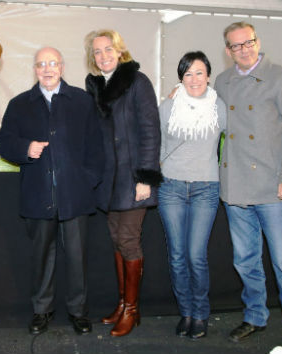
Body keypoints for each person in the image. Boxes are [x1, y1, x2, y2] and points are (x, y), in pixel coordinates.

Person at [215, 21, 282, 352]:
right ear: (228, 51)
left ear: (258, 42)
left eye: (248, 43)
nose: (243, 50)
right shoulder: (223, 81)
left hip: (273, 185)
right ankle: (255, 316)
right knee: (245, 260)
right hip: (235, 186)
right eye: (236, 46)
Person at [0, 47, 104, 336]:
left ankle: (79, 312)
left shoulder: (82, 101)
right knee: (42, 258)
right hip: (37, 195)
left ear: (63, 67)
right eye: (41, 64)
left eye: (52, 63)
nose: (47, 69)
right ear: (34, 69)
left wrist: (87, 180)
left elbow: (96, 147)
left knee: (78, 259)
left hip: (75, 196)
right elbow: (3, 143)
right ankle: (42, 311)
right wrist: (24, 148)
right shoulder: (20, 104)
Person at [84, 29, 161, 337]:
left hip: (133, 178)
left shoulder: (137, 82)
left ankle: (132, 309)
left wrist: (145, 177)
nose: (103, 55)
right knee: (117, 239)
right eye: (98, 51)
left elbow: (150, 131)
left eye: (108, 49)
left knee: (128, 240)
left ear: (120, 51)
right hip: (109, 180)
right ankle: (123, 303)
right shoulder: (96, 87)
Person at [157, 51, 226, 339]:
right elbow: (155, 143)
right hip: (171, 187)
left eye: (199, 72)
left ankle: (200, 313)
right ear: (180, 78)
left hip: (205, 189)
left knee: (196, 255)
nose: (194, 79)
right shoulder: (169, 105)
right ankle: (185, 312)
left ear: (208, 75)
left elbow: (238, 142)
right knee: (176, 256)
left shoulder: (220, 107)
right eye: (188, 74)